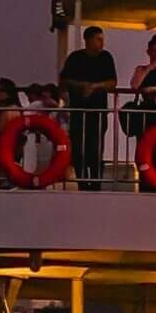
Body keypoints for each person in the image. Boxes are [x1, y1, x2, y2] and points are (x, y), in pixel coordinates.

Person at [58, 26, 118, 190]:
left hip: (98, 111)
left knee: (96, 147)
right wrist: (80, 85)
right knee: (78, 147)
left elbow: (113, 82)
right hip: (79, 111)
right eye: (98, 39)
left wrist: (95, 86)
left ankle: (96, 182)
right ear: (88, 40)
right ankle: (82, 182)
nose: (101, 42)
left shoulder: (105, 58)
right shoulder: (75, 58)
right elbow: (64, 80)